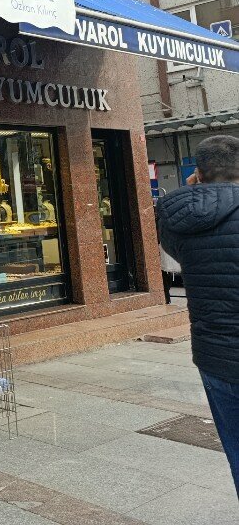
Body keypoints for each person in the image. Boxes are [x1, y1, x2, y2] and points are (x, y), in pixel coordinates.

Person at [156, 134, 239, 496]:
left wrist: (198, 190)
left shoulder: (179, 217)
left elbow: (175, 244)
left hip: (217, 354)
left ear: (197, 173)